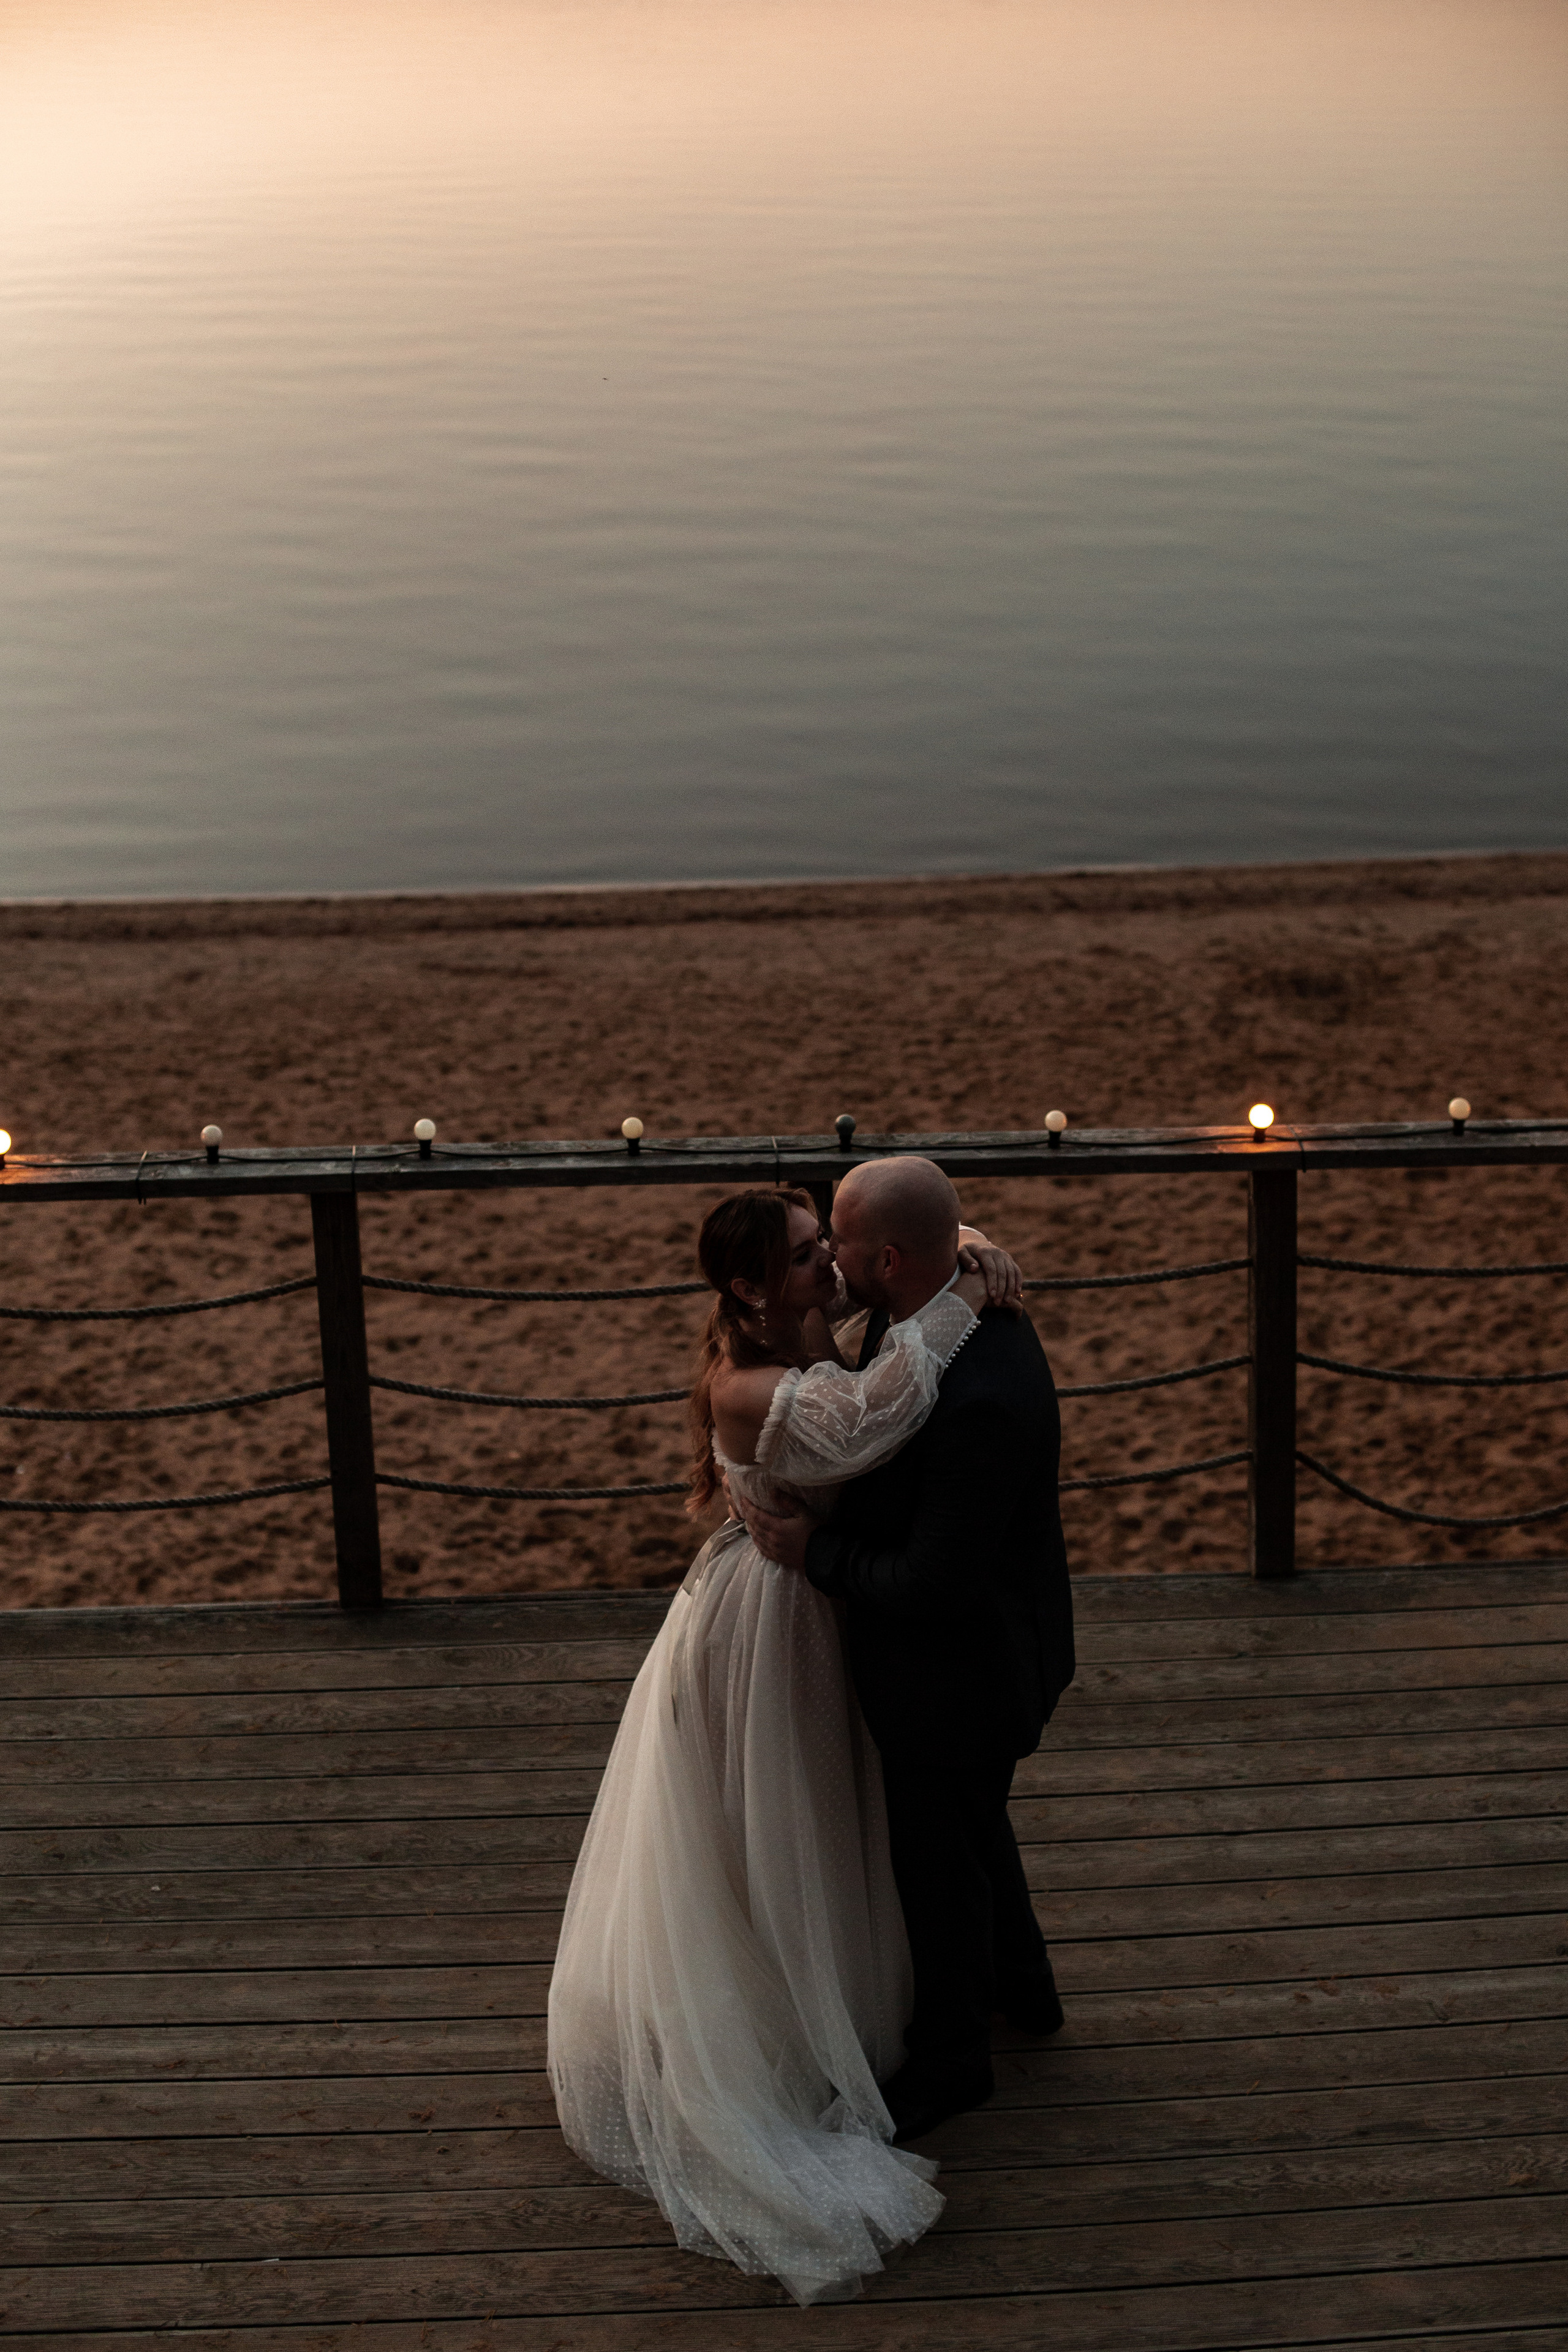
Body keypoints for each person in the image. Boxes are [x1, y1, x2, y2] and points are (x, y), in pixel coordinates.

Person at [546, 1184, 1022, 2306]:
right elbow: (876, 1416)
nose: (831, 1269)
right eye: (808, 1257)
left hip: (825, 1607)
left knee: (837, 1812)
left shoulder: (819, 1326)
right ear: (751, 1288)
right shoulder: (751, 1388)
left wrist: (975, 1246)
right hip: (768, 1626)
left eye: (830, 1249)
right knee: (782, 1822)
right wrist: (961, 1287)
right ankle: (787, 2031)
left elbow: (900, 1268)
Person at [737, 1156, 1074, 2143]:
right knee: (975, 1827)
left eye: (839, 1244)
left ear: (886, 1258)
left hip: (960, 1673)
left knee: (936, 1866)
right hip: (991, 1652)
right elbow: (939, 1242)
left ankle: (953, 2061)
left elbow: (933, 1582)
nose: (831, 1263)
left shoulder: (979, 1398)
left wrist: (816, 1549)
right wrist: (975, 1248)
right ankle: (1029, 1992)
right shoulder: (932, 1306)